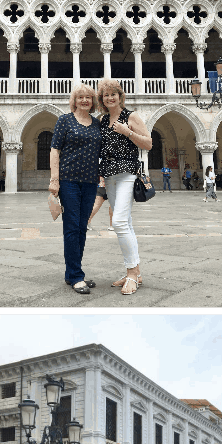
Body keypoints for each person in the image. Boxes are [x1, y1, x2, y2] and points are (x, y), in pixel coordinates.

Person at [97, 78, 152, 296]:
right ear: (102, 99)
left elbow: (148, 143)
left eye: (114, 94)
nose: (110, 98)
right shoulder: (101, 121)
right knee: (125, 223)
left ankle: (132, 273)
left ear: (120, 96)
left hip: (127, 173)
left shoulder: (131, 116)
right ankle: (135, 272)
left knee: (118, 222)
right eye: (106, 95)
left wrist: (126, 131)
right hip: (109, 175)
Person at [50, 84, 101, 294]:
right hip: (69, 181)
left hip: (90, 182)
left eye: (88, 97)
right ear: (74, 100)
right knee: (71, 228)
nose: (85, 100)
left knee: (82, 227)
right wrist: (54, 179)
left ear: (93, 101)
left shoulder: (97, 123)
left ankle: (73, 273)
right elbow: (55, 150)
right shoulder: (65, 120)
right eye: (80, 97)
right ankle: (76, 275)